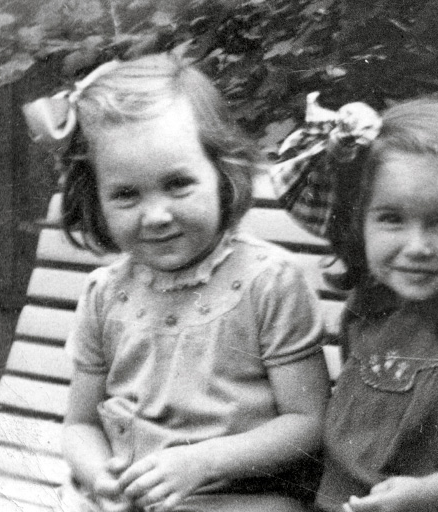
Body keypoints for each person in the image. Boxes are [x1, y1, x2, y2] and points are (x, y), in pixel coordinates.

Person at [23, 53, 330, 512]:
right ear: (97, 198)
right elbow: (79, 426)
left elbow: (307, 423)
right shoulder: (105, 294)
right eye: (126, 194)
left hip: (241, 495)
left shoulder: (269, 282)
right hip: (136, 496)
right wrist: (101, 477)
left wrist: (201, 463)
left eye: (179, 183)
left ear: (222, 173)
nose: (157, 215)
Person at [270, 96, 438, 512]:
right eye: (392, 218)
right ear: (361, 220)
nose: (417, 247)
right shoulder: (372, 299)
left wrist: (436, 491)